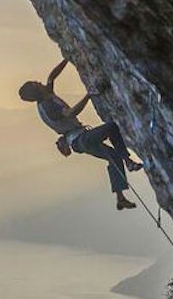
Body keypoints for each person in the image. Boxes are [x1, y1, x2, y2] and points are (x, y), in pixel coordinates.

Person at [18, 57, 143, 210]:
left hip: (79, 142)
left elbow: (51, 77)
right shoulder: (48, 106)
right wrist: (88, 95)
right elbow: (70, 113)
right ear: (36, 91)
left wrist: (67, 59)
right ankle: (128, 161)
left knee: (114, 157)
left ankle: (120, 198)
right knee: (111, 127)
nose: (39, 82)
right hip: (81, 139)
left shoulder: (46, 94)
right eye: (36, 84)